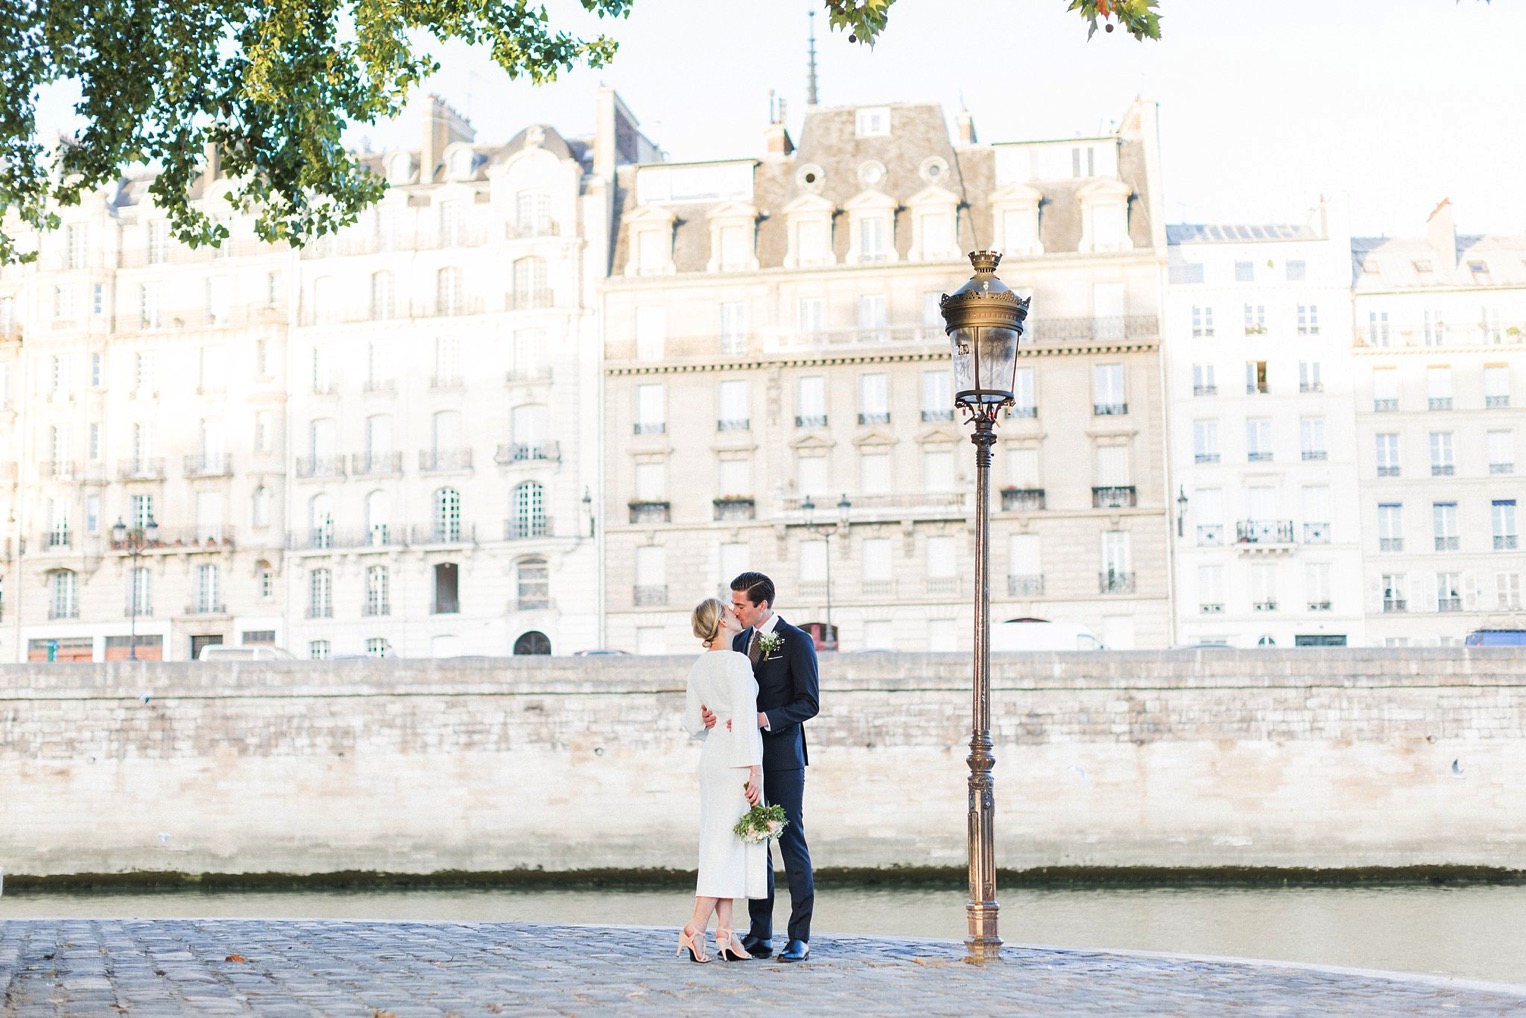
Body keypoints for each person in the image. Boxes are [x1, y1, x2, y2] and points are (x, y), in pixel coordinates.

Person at [709, 570, 820, 963]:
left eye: (741, 604)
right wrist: (716, 716)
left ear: (763, 605)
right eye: (734, 603)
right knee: (755, 844)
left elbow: (809, 703)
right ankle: (761, 934)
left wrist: (766, 718)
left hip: (783, 759)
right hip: (745, 758)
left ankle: (799, 937)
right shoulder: (738, 640)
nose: (735, 610)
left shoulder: (798, 641)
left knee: (791, 844)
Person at [676, 597, 768, 963]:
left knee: (721, 842)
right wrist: (755, 768)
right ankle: (695, 928)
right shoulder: (737, 662)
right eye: (729, 612)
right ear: (722, 624)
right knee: (725, 847)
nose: (736, 613)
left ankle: (725, 933)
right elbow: (746, 716)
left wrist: (709, 723)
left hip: (713, 756)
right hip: (736, 759)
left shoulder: (699, 667)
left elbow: (693, 723)